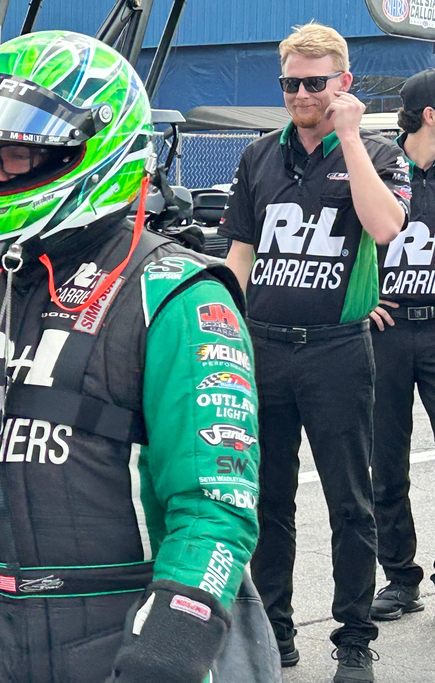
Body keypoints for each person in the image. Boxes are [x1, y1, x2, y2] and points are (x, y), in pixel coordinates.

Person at [0, 31, 259, 683]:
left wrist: (175, 634)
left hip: (118, 627)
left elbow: (214, 501)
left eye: (13, 154)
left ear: (96, 150)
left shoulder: (174, 297)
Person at [220, 22, 409, 683]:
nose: (300, 93)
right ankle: (275, 632)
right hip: (265, 350)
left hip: (337, 353)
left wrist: (350, 136)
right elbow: (238, 256)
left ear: (343, 82)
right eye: (290, 83)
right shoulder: (256, 157)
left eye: (314, 82)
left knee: (350, 503)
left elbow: (387, 226)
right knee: (266, 501)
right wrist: (225, 333)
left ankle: (354, 641)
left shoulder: (380, 151)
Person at [368, 68, 435, 623]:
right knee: (385, 464)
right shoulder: (380, 166)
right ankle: (400, 578)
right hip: (385, 332)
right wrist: (361, 296)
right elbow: (340, 235)